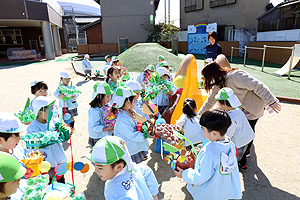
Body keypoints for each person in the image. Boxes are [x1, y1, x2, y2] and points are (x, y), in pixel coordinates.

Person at [198, 58, 281, 158]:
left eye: (206, 78)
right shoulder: (218, 84)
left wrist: (271, 100)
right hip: (240, 110)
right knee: (239, 129)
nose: (206, 81)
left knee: (249, 129)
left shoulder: (235, 76)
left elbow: (258, 86)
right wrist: (198, 115)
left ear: (212, 75)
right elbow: (209, 101)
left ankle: (246, 151)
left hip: (253, 107)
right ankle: (241, 150)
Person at [174, 109, 242, 200]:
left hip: (210, 193)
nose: (202, 131)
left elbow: (201, 176)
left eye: (203, 129)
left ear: (214, 133)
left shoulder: (209, 152)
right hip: (223, 189)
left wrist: (184, 174)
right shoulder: (231, 144)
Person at [88, 136, 159, 200]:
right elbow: (147, 171)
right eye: (94, 166)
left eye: (100, 168)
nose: (96, 171)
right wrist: (154, 195)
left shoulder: (115, 190)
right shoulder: (135, 167)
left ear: (119, 167)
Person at [27, 96, 67, 184]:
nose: (53, 112)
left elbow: (61, 132)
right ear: (40, 112)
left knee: (61, 181)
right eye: (51, 110)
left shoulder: (53, 121)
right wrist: (46, 139)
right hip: (46, 163)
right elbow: (32, 146)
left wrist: (64, 132)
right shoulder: (32, 128)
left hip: (58, 159)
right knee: (48, 183)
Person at [215, 87, 255, 171]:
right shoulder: (236, 109)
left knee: (235, 157)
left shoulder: (231, 120)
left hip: (240, 142)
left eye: (218, 102)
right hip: (247, 136)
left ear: (224, 104)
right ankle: (243, 164)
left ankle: (231, 169)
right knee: (244, 152)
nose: (216, 104)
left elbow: (227, 136)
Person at [112, 86, 149, 164]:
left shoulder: (129, 111)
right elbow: (132, 135)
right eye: (133, 101)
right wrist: (145, 136)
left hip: (134, 145)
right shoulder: (122, 119)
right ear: (127, 102)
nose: (134, 103)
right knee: (130, 166)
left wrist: (146, 124)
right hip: (129, 149)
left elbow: (139, 120)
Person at [88, 82, 114, 147]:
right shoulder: (94, 110)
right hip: (97, 137)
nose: (109, 99)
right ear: (98, 96)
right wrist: (108, 128)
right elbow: (95, 126)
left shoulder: (105, 105)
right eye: (107, 96)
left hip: (104, 134)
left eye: (110, 96)